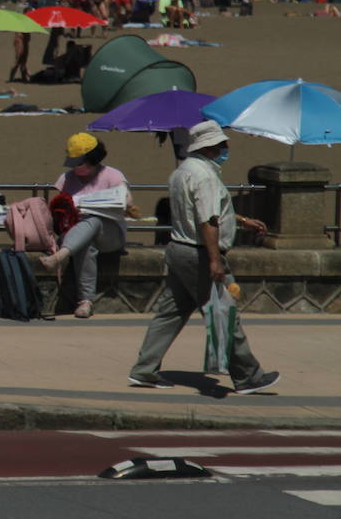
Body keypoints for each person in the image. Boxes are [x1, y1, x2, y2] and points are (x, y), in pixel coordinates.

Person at [128, 120, 280, 393]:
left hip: (177, 249)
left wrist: (241, 220)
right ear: (211, 147)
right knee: (226, 314)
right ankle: (248, 376)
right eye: (223, 144)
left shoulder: (182, 172)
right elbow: (207, 220)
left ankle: (144, 369)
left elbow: (201, 213)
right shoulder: (206, 177)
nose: (227, 148)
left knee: (170, 313)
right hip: (198, 253)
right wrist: (214, 260)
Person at [41, 133, 131, 319]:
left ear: (93, 160)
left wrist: (114, 203)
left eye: (80, 163)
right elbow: (57, 210)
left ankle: (61, 255)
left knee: (94, 220)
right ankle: (85, 302)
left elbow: (128, 201)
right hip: (75, 234)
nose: (76, 168)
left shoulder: (112, 175)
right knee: (86, 243)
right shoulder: (66, 179)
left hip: (110, 235)